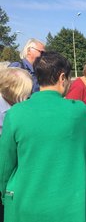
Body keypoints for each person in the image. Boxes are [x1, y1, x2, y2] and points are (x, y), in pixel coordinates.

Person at [0, 51, 86, 222]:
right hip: (71, 203)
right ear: (62, 78)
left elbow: (5, 163)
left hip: (27, 200)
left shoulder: (14, 113)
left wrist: (4, 194)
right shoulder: (79, 110)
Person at [0, 67, 33, 222]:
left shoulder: (16, 107)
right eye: (27, 92)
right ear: (15, 91)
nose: (29, 96)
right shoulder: (4, 112)